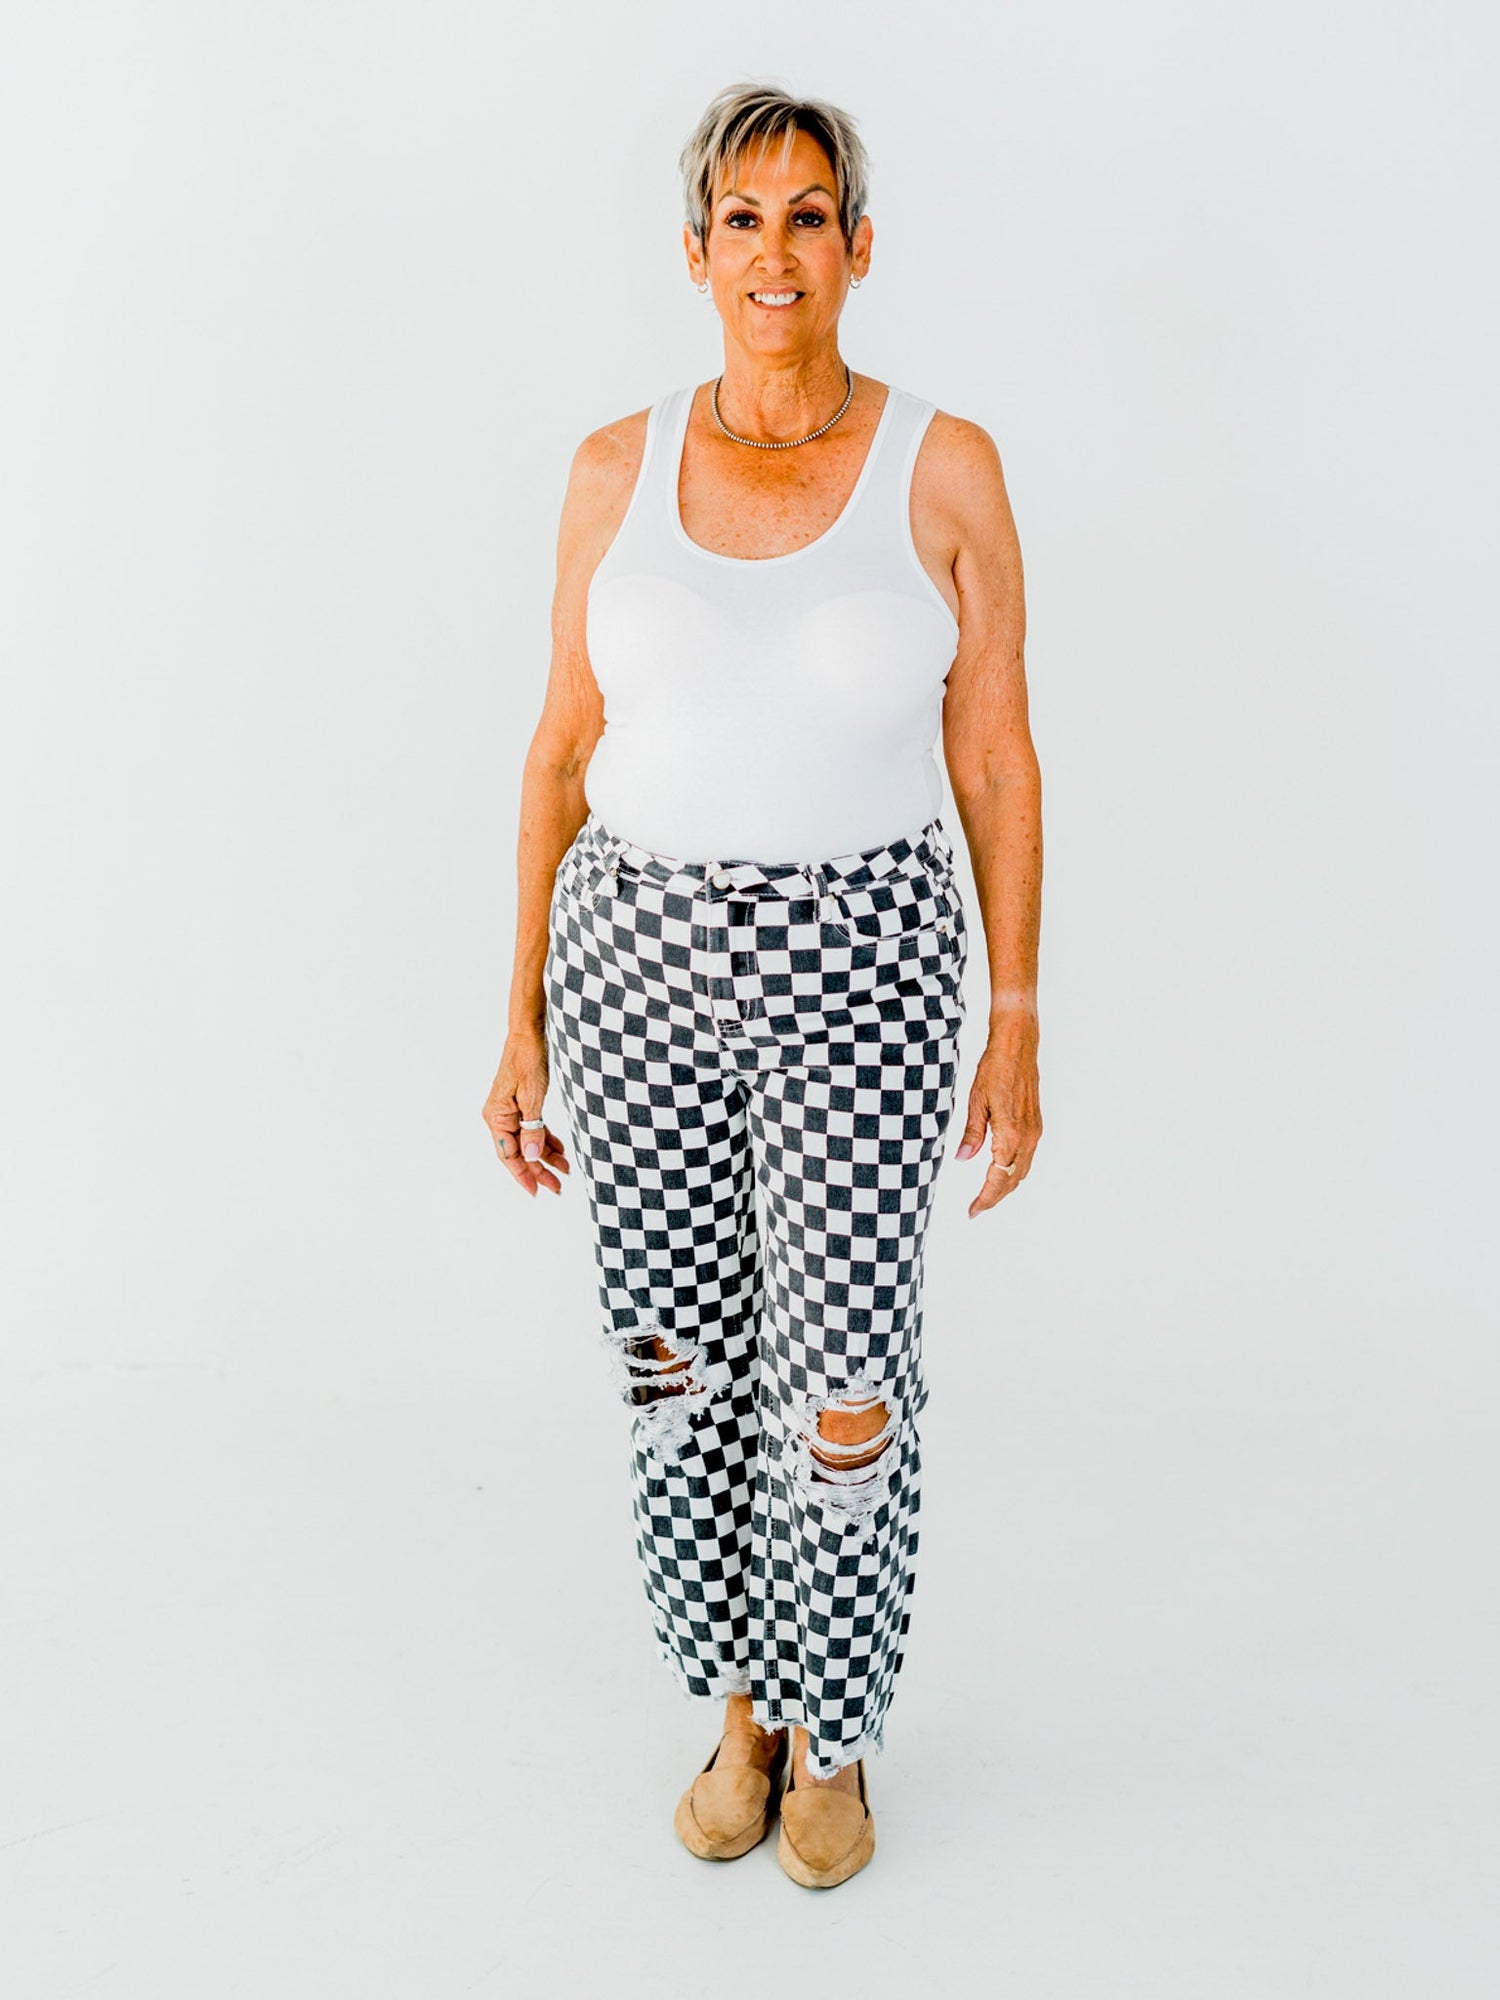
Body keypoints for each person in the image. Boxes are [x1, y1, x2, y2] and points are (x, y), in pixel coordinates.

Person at [481, 80, 1042, 1890]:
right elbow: (560, 752)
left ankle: (839, 1735)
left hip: (866, 965)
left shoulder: (943, 467)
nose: (775, 253)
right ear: (696, 252)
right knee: (678, 1362)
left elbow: (997, 760)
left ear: (858, 246)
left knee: (842, 1381)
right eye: (744, 219)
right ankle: (742, 1712)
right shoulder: (611, 470)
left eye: (810, 217)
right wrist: (520, 1019)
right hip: (635, 964)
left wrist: (1017, 1021)